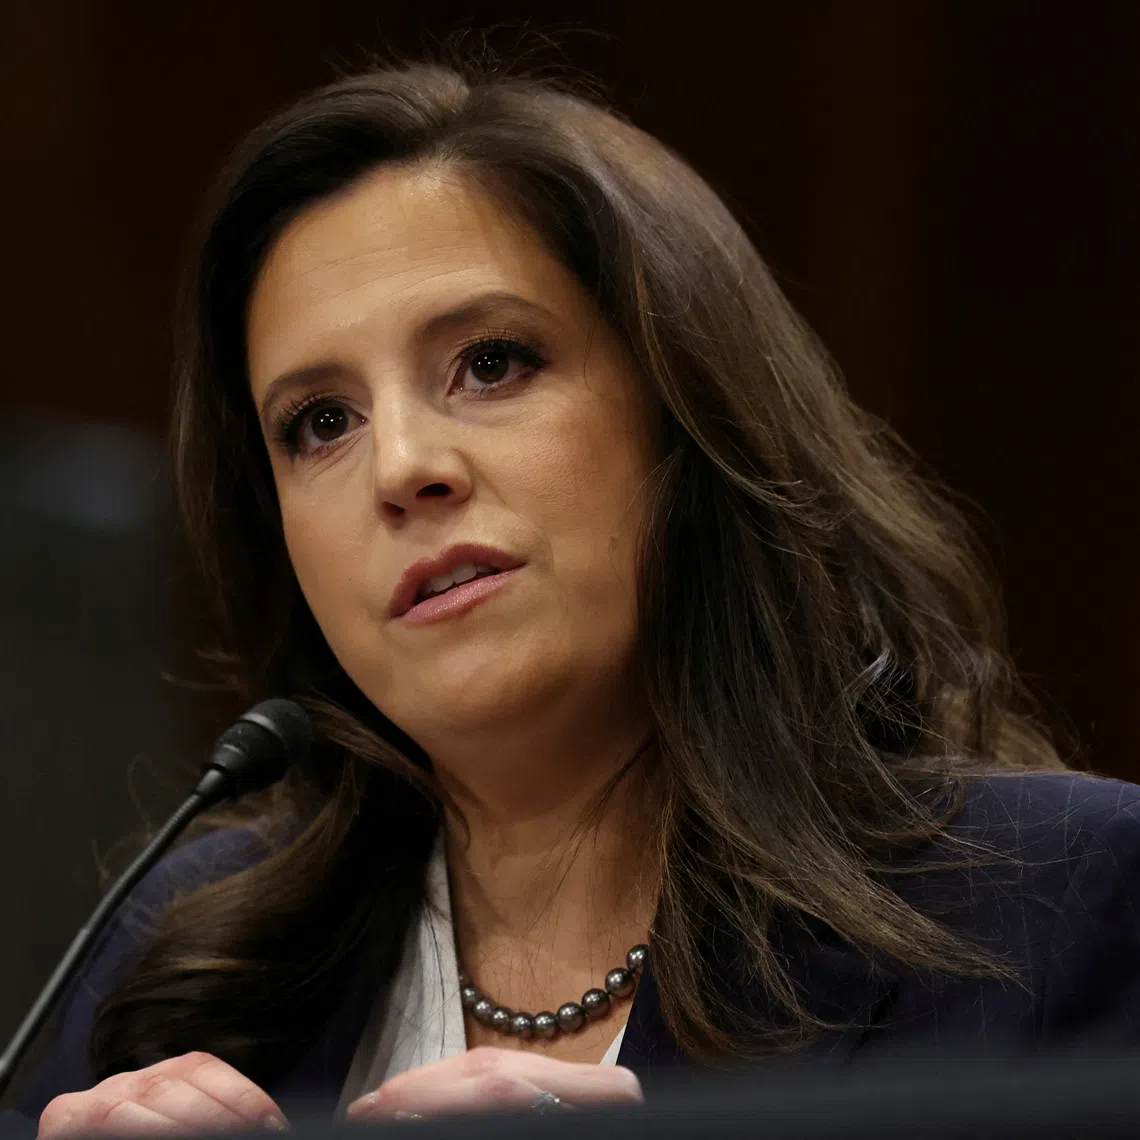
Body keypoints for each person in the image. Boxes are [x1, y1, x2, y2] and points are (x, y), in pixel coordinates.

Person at [18, 55, 1140, 1137]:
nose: (404, 466)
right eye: (320, 423)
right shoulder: (174, 969)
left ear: (684, 412)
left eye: (492, 362)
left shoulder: (1061, 912)